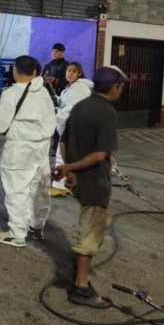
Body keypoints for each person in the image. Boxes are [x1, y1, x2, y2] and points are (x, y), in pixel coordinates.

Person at [53, 65, 128, 309]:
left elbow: (63, 140)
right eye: (121, 87)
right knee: (91, 231)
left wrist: (69, 168)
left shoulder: (80, 106)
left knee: (91, 221)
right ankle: (80, 286)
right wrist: (72, 167)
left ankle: (79, 265)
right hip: (95, 180)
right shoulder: (107, 112)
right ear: (115, 86)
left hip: (79, 178)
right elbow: (99, 155)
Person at [0, 56, 55, 247]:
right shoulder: (43, 92)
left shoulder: (11, 93)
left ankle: (17, 233)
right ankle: (37, 225)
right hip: (42, 147)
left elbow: (0, 125)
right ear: (35, 72)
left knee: (17, 189)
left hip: (19, 148)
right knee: (39, 189)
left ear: (15, 71)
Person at [51, 62, 93, 196]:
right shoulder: (73, 87)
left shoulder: (79, 87)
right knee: (70, 157)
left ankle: (59, 186)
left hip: (71, 126)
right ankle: (70, 183)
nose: (69, 73)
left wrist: (54, 120)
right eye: (68, 71)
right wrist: (57, 100)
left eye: (73, 71)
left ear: (79, 74)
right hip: (71, 126)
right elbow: (68, 102)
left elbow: (71, 108)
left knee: (61, 155)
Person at [43, 43, 68, 156]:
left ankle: (58, 147)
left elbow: (69, 82)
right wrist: (46, 81)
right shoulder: (48, 66)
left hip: (62, 100)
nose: (54, 53)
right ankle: (50, 146)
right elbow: (42, 81)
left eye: (57, 51)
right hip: (49, 99)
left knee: (60, 124)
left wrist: (56, 81)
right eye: (53, 51)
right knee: (50, 123)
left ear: (62, 52)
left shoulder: (67, 66)